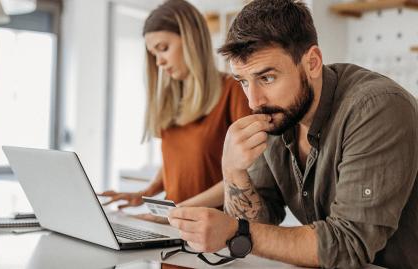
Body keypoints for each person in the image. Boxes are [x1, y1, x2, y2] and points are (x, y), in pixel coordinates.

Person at [167, 0, 418, 268]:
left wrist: (235, 231)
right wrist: (232, 171)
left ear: (312, 63)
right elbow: (260, 224)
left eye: (267, 78)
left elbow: (348, 245)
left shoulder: (376, 108)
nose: (254, 101)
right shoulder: (279, 116)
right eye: (243, 81)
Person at [99, 0, 250, 221]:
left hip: (213, 230)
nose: (159, 61)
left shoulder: (233, 92)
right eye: (154, 54)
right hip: (172, 225)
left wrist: (177, 210)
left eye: (163, 48)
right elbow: (176, 161)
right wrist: (146, 193)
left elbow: (248, 176)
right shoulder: (172, 100)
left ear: (191, 40)